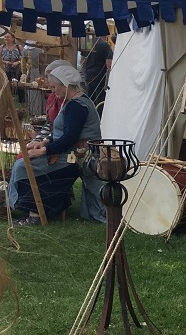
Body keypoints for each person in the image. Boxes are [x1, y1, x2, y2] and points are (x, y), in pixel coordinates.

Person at [7, 64, 105, 225]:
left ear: (65, 84)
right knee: (24, 163)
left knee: (23, 166)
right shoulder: (75, 102)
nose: (53, 91)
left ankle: (35, 215)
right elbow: (61, 132)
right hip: (69, 152)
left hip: (76, 157)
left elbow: (69, 138)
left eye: (53, 87)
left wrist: (44, 151)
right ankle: (32, 210)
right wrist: (44, 141)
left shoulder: (76, 106)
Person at [82, 34, 112, 107]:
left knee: (89, 100)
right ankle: (98, 117)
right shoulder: (105, 46)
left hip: (88, 76)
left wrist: (85, 72)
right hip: (100, 77)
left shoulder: (88, 44)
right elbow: (109, 64)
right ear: (105, 36)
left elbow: (82, 61)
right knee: (99, 102)